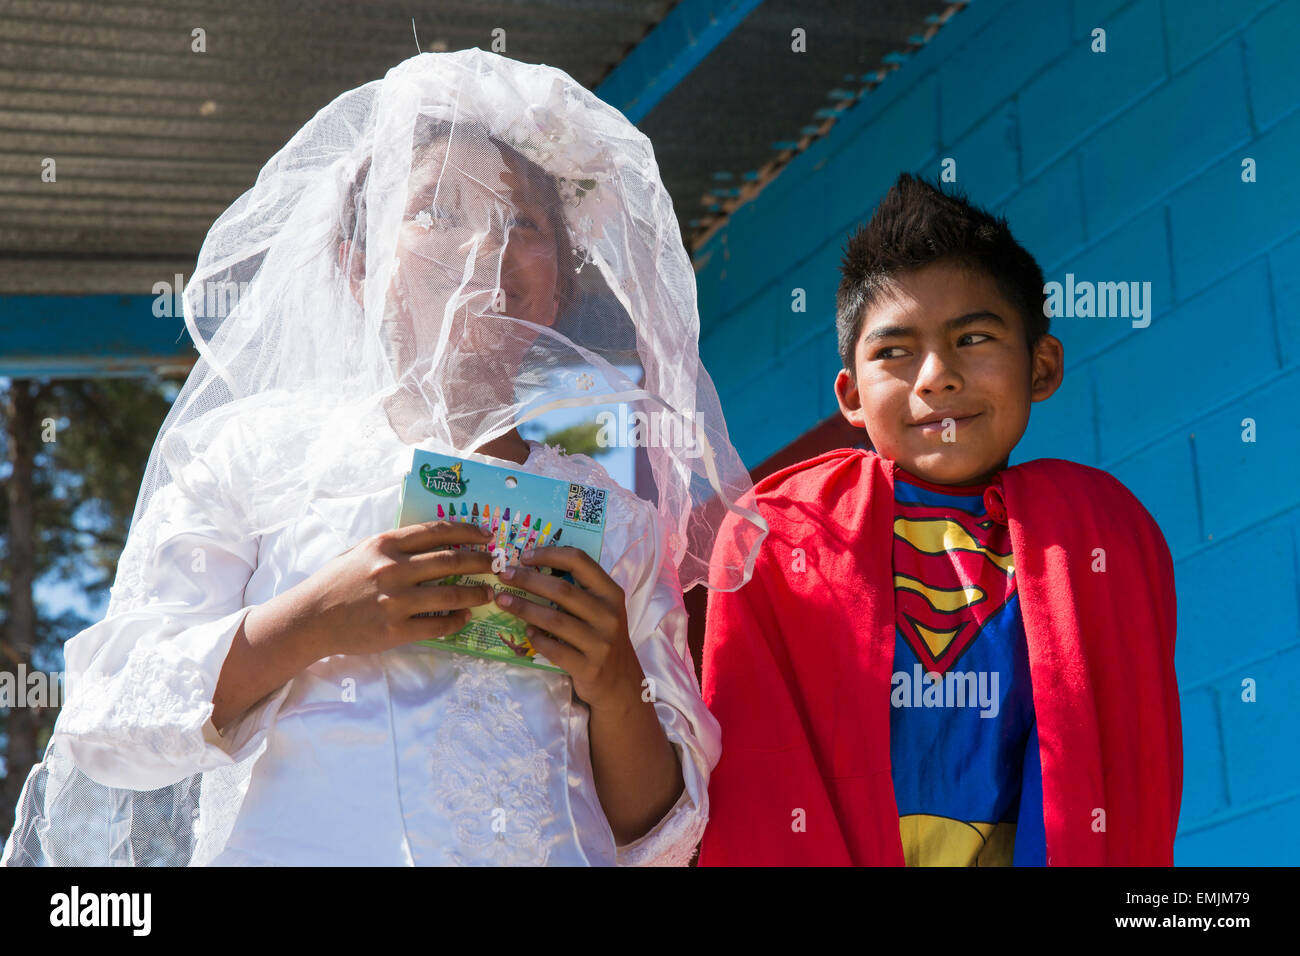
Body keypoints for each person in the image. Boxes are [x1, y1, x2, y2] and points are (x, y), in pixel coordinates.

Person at [1, 49, 766, 867]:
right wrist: (310, 621)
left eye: (522, 223)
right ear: (356, 263)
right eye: (437, 212)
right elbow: (107, 719)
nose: (482, 248)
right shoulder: (251, 457)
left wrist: (615, 680)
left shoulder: (616, 523)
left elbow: (662, 831)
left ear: (557, 290)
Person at [699, 173, 1182, 866]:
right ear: (851, 395)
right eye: (894, 351)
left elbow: (1135, 771)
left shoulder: (1100, 530)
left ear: (1042, 367)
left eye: (974, 337)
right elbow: (757, 778)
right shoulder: (784, 535)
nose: (936, 376)